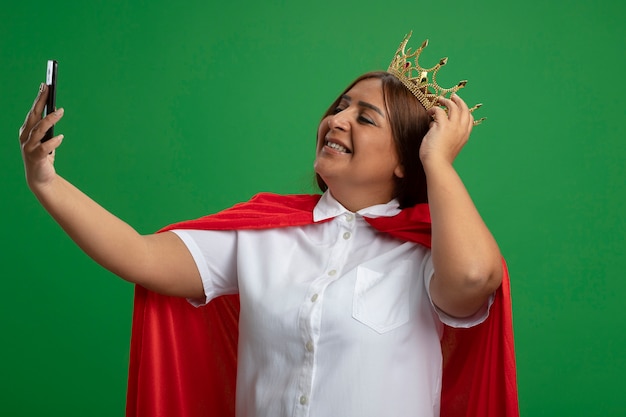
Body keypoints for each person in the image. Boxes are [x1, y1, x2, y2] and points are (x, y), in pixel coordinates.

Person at [19, 34, 516, 417]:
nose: (338, 120)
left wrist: (440, 164)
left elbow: (474, 278)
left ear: (406, 161)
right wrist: (45, 179)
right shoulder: (262, 235)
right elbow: (139, 255)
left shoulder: (427, 258)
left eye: (365, 119)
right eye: (340, 107)